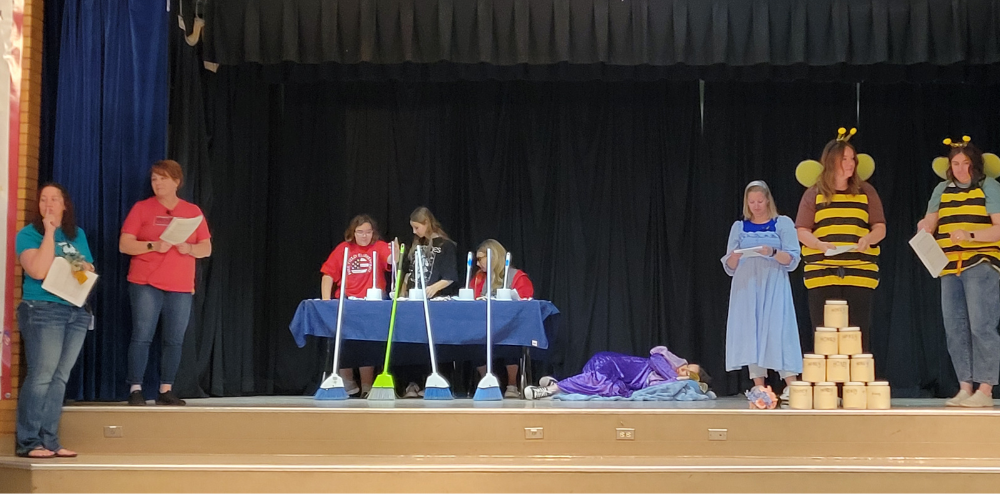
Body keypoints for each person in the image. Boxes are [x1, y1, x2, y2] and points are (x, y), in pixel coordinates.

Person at [120, 160, 212, 406]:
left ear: (177, 182)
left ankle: (166, 389)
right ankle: (136, 388)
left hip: (180, 285)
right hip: (145, 282)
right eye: (154, 179)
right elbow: (125, 244)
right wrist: (153, 245)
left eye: (163, 178)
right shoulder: (142, 208)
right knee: (142, 336)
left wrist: (189, 248)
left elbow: (206, 248)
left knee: (174, 339)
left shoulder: (192, 211)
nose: (157, 183)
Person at [917, 138, 1000, 408]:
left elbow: (998, 228)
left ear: (975, 165)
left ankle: (985, 389)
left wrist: (970, 235)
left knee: (981, 326)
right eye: (955, 163)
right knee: (955, 328)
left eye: (966, 163)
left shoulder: (988, 186)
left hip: (980, 263)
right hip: (949, 266)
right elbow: (930, 220)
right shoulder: (942, 189)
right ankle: (965, 386)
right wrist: (924, 227)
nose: (961, 169)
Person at [15, 183, 94, 458]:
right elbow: (38, 270)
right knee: (42, 375)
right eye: (43, 199)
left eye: (54, 199)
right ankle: (29, 441)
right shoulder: (29, 234)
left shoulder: (76, 234)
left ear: (64, 204)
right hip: (42, 309)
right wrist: (49, 233)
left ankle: (50, 440)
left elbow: (85, 271)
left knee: (60, 377)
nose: (48, 204)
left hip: (75, 310)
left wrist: (81, 266)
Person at [796, 133, 886, 352]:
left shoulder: (866, 191)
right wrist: (819, 244)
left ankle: (856, 375)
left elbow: (880, 228)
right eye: (844, 159)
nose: (850, 163)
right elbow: (802, 230)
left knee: (857, 335)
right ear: (831, 161)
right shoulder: (814, 193)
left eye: (852, 158)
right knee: (825, 336)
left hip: (859, 273)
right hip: (822, 273)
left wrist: (868, 238)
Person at [722, 181, 802, 397]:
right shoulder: (739, 227)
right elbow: (729, 266)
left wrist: (772, 252)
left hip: (773, 283)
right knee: (751, 330)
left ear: (767, 200)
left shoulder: (782, 223)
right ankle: (759, 384)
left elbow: (793, 259)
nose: (756, 206)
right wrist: (734, 257)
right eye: (752, 202)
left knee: (779, 329)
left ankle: (792, 383)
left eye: (759, 201)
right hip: (747, 285)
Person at [319, 214, 393, 397]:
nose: (364, 236)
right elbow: (328, 275)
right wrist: (326, 301)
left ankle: (367, 386)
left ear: (373, 233)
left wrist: (395, 255)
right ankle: (348, 383)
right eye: (360, 232)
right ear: (353, 232)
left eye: (368, 232)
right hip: (347, 302)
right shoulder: (343, 249)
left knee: (367, 343)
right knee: (343, 342)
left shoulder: (379, 247)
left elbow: (391, 260)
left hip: (371, 304)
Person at [399, 207, 458, 398]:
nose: (414, 232)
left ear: (427, 224)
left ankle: (435, 381)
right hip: (414, 301)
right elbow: (408, 272)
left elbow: (450, 275)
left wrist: (434, 288)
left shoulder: (446, 246)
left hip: (436, 303)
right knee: (413, 343)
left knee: (435, 343)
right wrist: (403, 291)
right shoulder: (417, 244)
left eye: (417, 227)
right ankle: (412, 383)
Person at [469, 239, 535, 398]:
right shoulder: (478, 278)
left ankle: (512, 385)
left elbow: (526, 303)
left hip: (509, 327)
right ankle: (486, 382)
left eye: (480, 259)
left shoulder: (517, 277)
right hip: (483, 327)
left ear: (493, 257)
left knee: (510, 340)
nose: (477, 264)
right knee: (472, 341)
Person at [523, 347, 705, 399]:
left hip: (619, 380)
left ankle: (557, 385)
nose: (683, 369)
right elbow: (655, 357)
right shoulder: (663, 361)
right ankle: (550, 390)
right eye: (686, 366)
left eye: (688, 373)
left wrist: (680, 380)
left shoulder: (668, 382)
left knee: (599, 387)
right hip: (612, 364)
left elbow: (654, 388)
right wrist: (676, 377)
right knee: (597, 381)